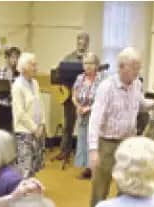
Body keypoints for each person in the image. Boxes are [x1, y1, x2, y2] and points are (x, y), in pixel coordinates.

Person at [88, 46, 153, 207]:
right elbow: (95, 120)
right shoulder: (106, 87)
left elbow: (141, 105)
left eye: (139, 67)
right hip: (107, 144)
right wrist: (93, 150)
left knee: (127, 186)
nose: (138, 71)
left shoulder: (137, 84)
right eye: (135, 67)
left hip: (128, 143)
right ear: (122, 67)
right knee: (100, 188)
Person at [54, 32, 91, 163]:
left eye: (85, 42)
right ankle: (65, 151)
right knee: (68, 125)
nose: (82, 44)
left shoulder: (91, 59)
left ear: (88, 43)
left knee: (86, 126)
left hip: (87, 97)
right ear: (77, 42)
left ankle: (84, 154)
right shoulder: (68, 58)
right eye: (80, 41)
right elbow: (58, 73)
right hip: (70, 95)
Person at [12, 52, 45, 178]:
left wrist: (42, 123)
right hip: (24, 131)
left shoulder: (35, 83)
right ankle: (23, 192)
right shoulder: (17, 86)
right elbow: (20, 112)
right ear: (24, 67)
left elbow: (40, 103)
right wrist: (34, 128)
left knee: (34, 164)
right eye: (33, 65)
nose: (36, 68)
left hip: (37, 129)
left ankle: (30, 189)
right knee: (25, 164)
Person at [71, 52, 102, 180]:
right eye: (85, 63)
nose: (87, 66)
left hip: (95, 114)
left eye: (90, 63)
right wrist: (77, 106)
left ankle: (96, 168)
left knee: (94, 141)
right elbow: (74, 94)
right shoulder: (80, 78)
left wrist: (89, 108)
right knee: (83, 140)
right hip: (82, 114)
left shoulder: (101, 79)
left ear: (96, 65)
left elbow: (101, 99)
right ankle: (87, 168)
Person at [0, 46, 21, 133]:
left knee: (15, 131)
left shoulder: (20, 72)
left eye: (17, 57)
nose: (15, 60)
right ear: (7, 58)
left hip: (15, 105)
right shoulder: (2, 70)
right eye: (13, 57)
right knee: (3, 131)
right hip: (3, 105)